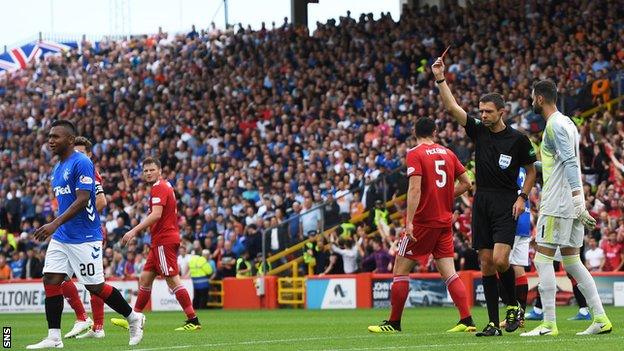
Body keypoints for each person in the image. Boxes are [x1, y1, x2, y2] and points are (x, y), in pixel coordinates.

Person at [432, 57, 537, 336]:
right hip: (482, 201)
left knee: (503, 260)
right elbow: (452, 107)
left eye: (489, 111)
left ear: (502, 111)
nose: (484, 115)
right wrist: (440, 78)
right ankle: (492, 323)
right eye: (482, 111)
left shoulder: (518, 140)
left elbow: (531, 171)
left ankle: (513, 305)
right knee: (487, 262)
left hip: (506, 201)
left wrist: (522, 197)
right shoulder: (478, 130)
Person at [28, 120, 144, 349]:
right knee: (51, 279)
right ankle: (54, 337)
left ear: (70, 140)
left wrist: (54, 224)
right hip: (63, 237)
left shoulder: (82, 162)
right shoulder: (58, 167)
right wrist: (57, 226)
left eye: (56, 137)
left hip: (85, 237)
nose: (50, 140)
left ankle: (133, 318)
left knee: (95, 287)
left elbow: (83, 200)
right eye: (49, 136)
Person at [520, 80, 611, 337]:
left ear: (540, 98)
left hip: (558, 203)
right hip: (568, 202)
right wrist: (530, 166)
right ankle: (601, 318)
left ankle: (548, 323)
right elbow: (559, 164)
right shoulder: (568, 123)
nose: (530, 101)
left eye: (531, 96)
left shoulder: (554, 126)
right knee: (572, 262)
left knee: (542, 258)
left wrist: (577, 201)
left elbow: (570, 162)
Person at [368, 117, 474, 334]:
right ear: (435, 132)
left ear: (414, 132)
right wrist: (444, 197)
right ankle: (467, 319)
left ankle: (394, 323)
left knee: (400, 269)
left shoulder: (414, 154)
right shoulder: (448, 153)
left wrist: (409, 222)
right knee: (449, 272)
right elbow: (467, 183)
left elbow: (415, 190)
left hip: (424, 222)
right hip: (444, 222)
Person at [111, 157, 200, 332]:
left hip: (164, 240)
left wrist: (133, 230)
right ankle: (135, 318)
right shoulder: (165, 186)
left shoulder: (159, 187)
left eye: (152, 170)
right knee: (145, 278)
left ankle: (193, 320)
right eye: (146, 171)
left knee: (172, 280)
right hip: (160, 240)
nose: (149, 173)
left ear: (159, 170)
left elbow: (156, 215)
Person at [61, 136, 109, 339]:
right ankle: (84, 318)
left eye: (82, 153)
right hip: (71, 234)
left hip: (87, 234)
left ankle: (97, 326)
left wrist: (83, 220)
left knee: (92, 281)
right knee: (59, 276)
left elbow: (101, 201)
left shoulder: (90, 171)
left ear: (89, 155)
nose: (77, 156)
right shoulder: (71, 172)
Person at [498, 167, 531, 328]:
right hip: (525, 220)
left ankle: (513, 312)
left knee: (501, 264)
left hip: (513, 218)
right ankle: (521, 316)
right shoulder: (524, 169)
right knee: (518, 267)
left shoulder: (508, 165)